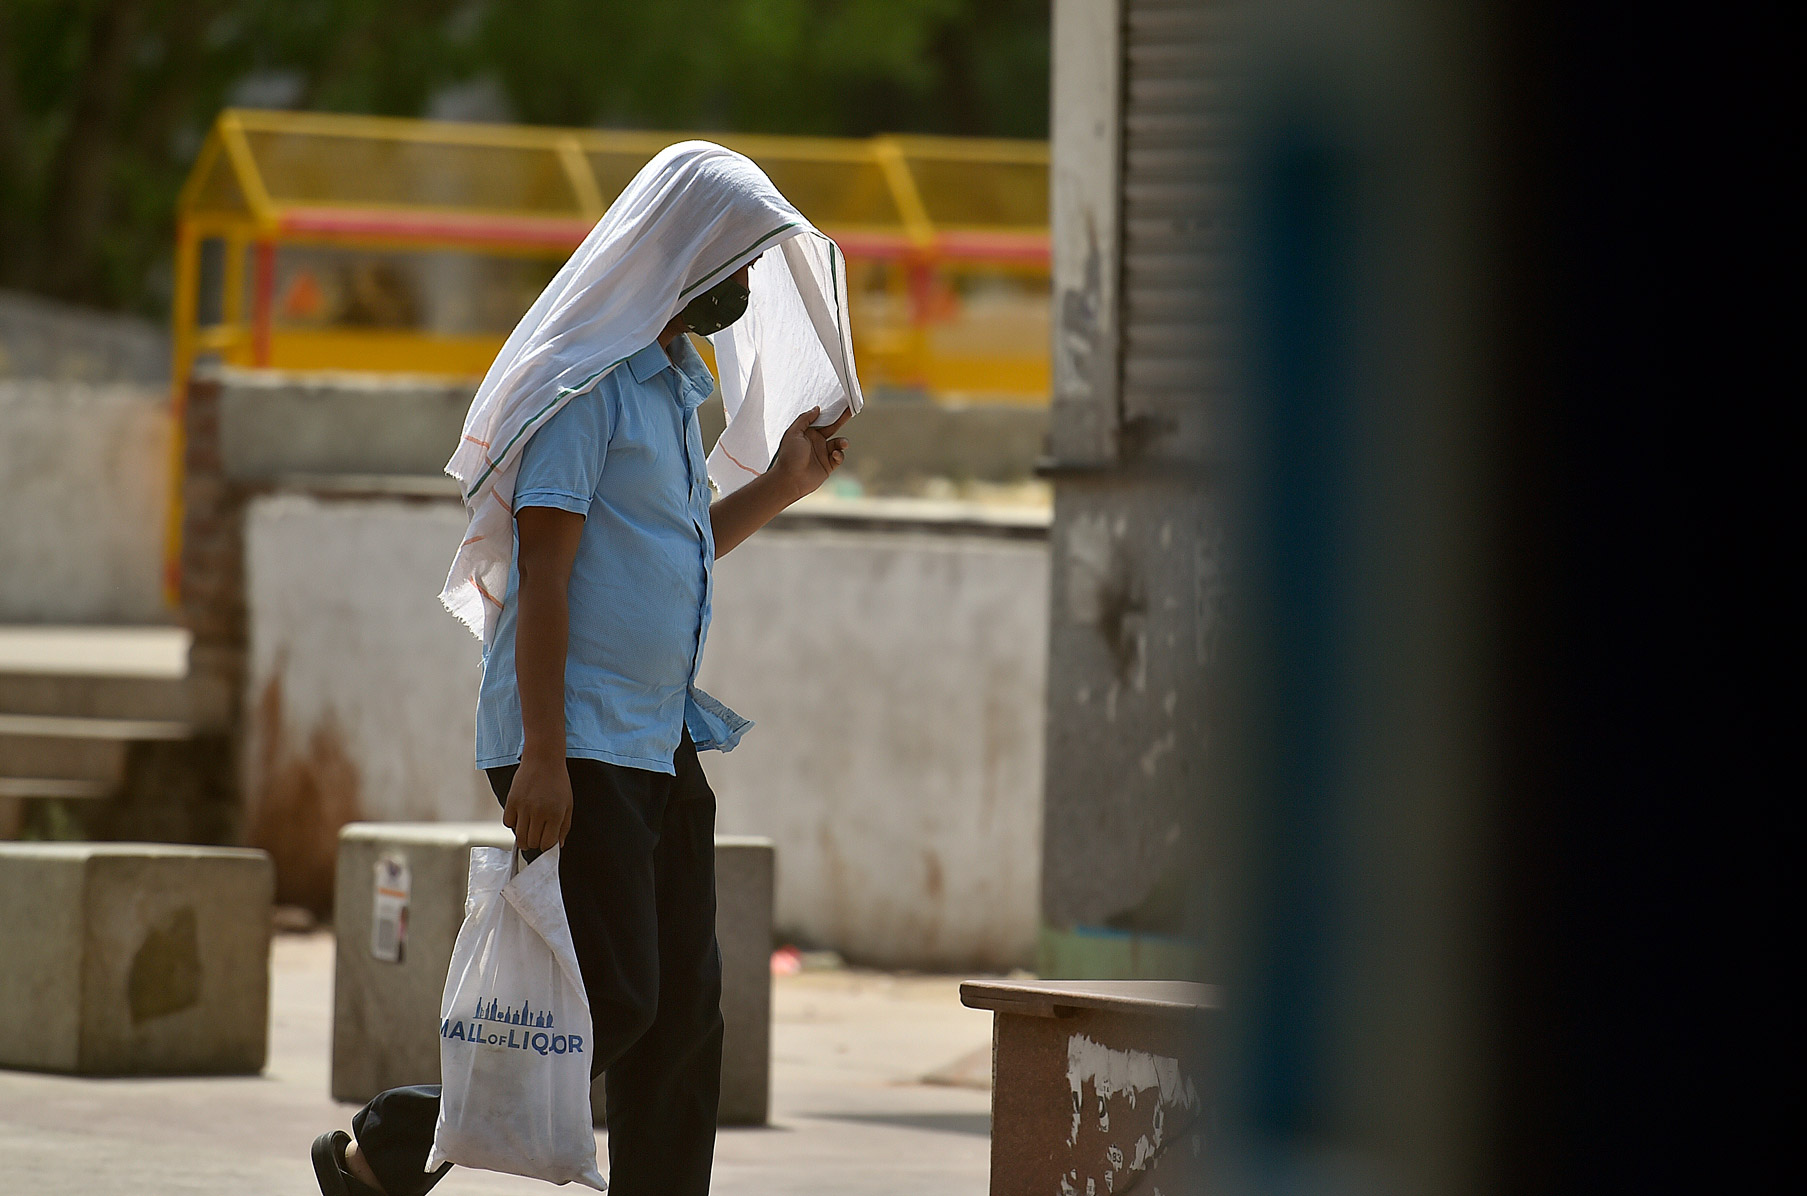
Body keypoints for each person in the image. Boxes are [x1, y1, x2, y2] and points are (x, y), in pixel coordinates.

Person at [312, 143, 858, 1196]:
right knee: (611, 996)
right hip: (577, 742)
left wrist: (784, 483)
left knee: (685, 1008)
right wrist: (545, 760)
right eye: (735, 263)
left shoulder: (667, 391)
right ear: (684, 257)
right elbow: (547, 576)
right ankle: (385, 1146)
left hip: (659, 735)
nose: (747, 285)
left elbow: (676, 546)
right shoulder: (585, 390)